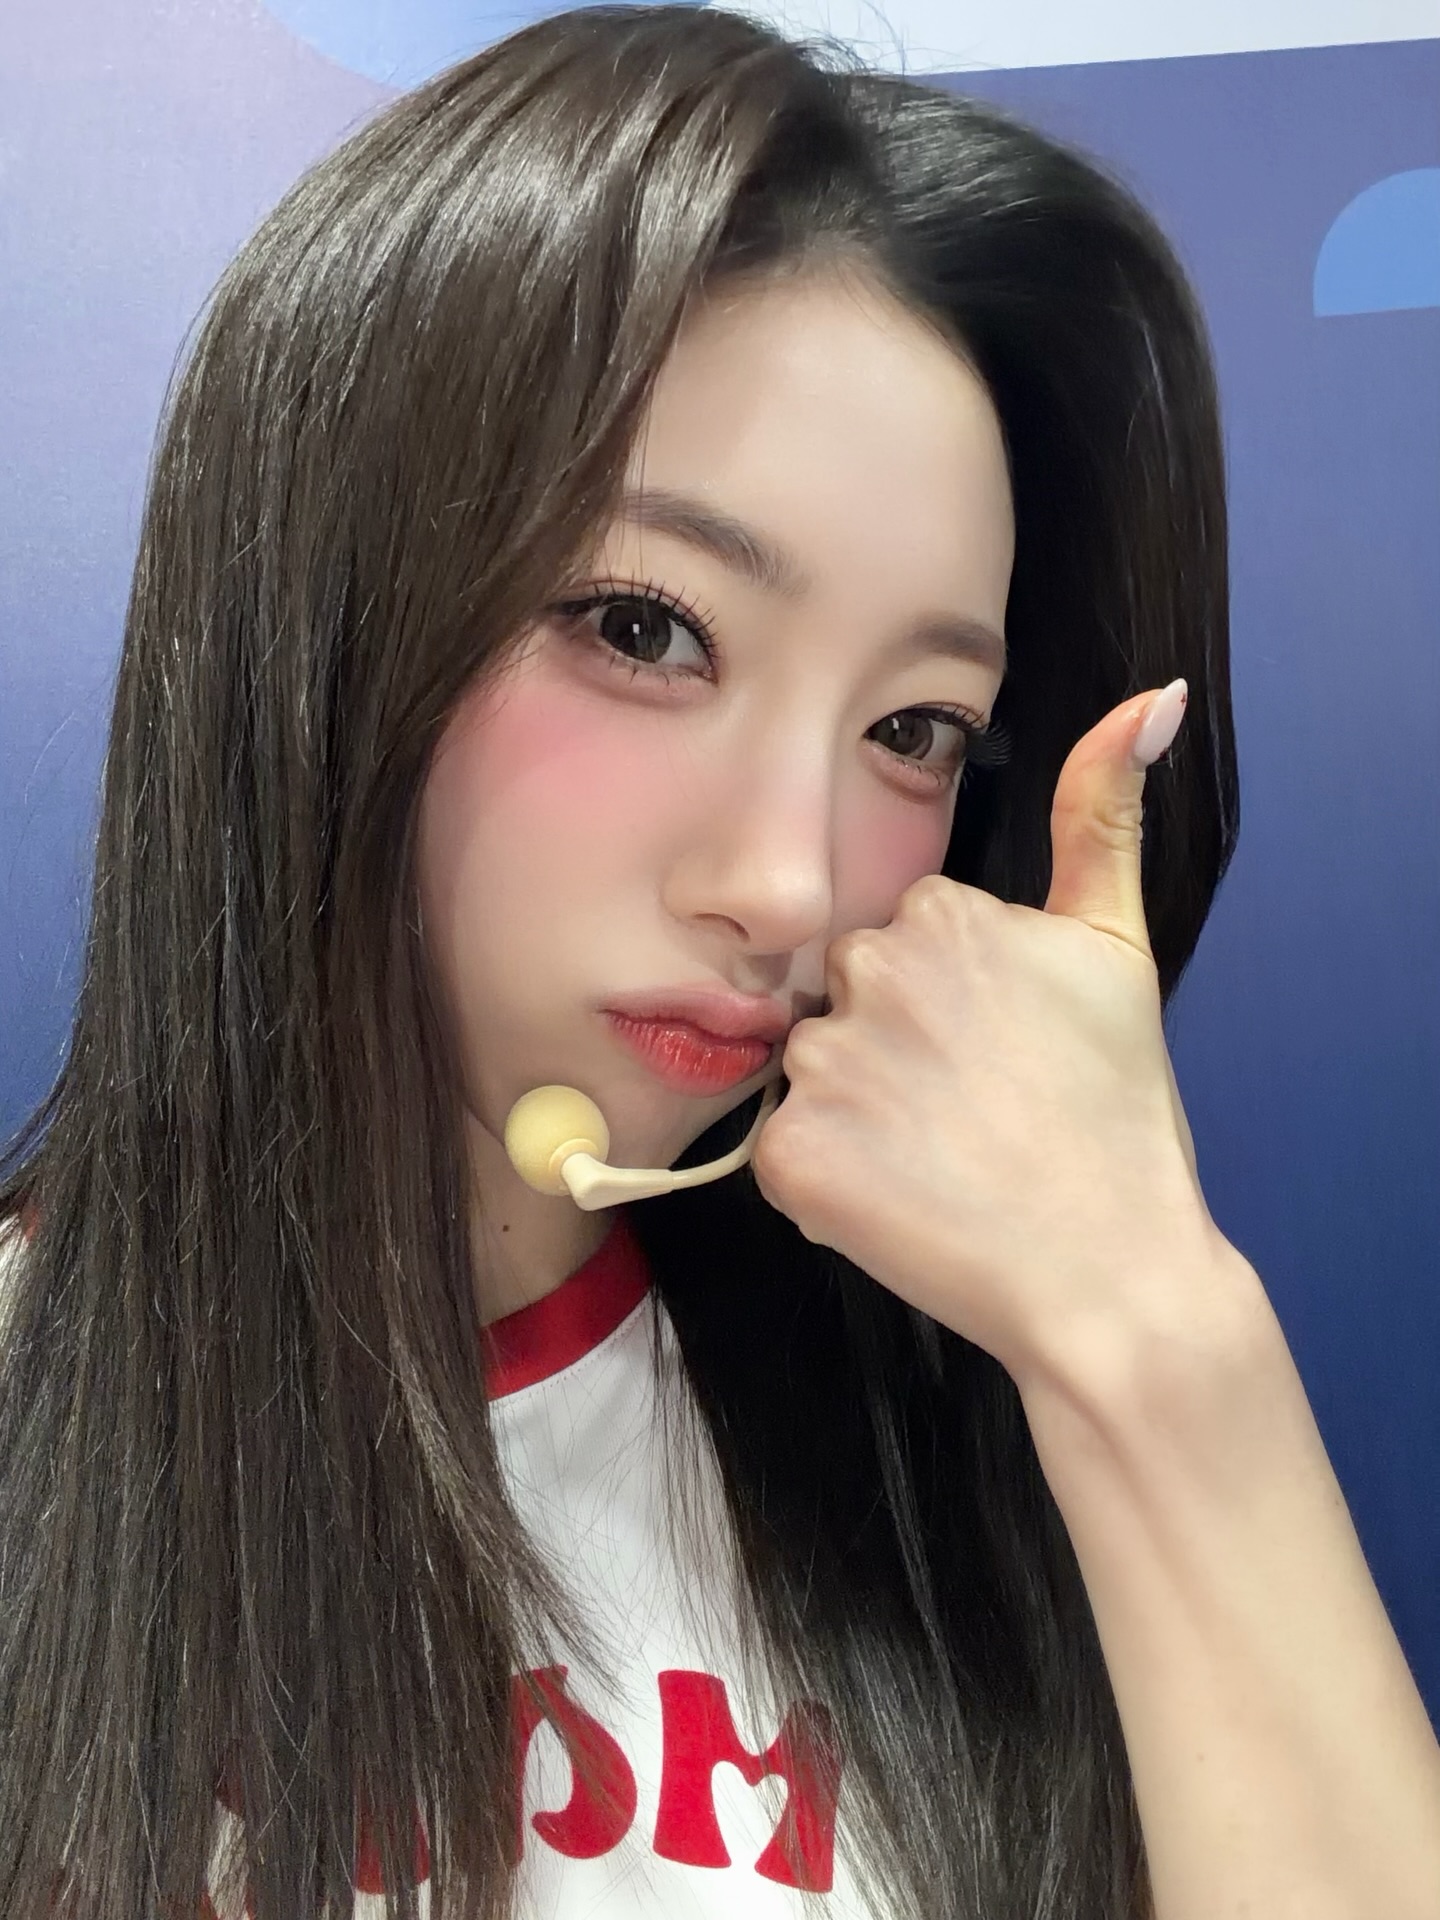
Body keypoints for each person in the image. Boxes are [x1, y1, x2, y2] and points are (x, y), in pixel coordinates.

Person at [1, 7, 1436, 1918]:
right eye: (643, 627)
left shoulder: (967, 1456)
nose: (790, 885)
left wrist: (1153, 1337)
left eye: (918, 731)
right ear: (322, 608)